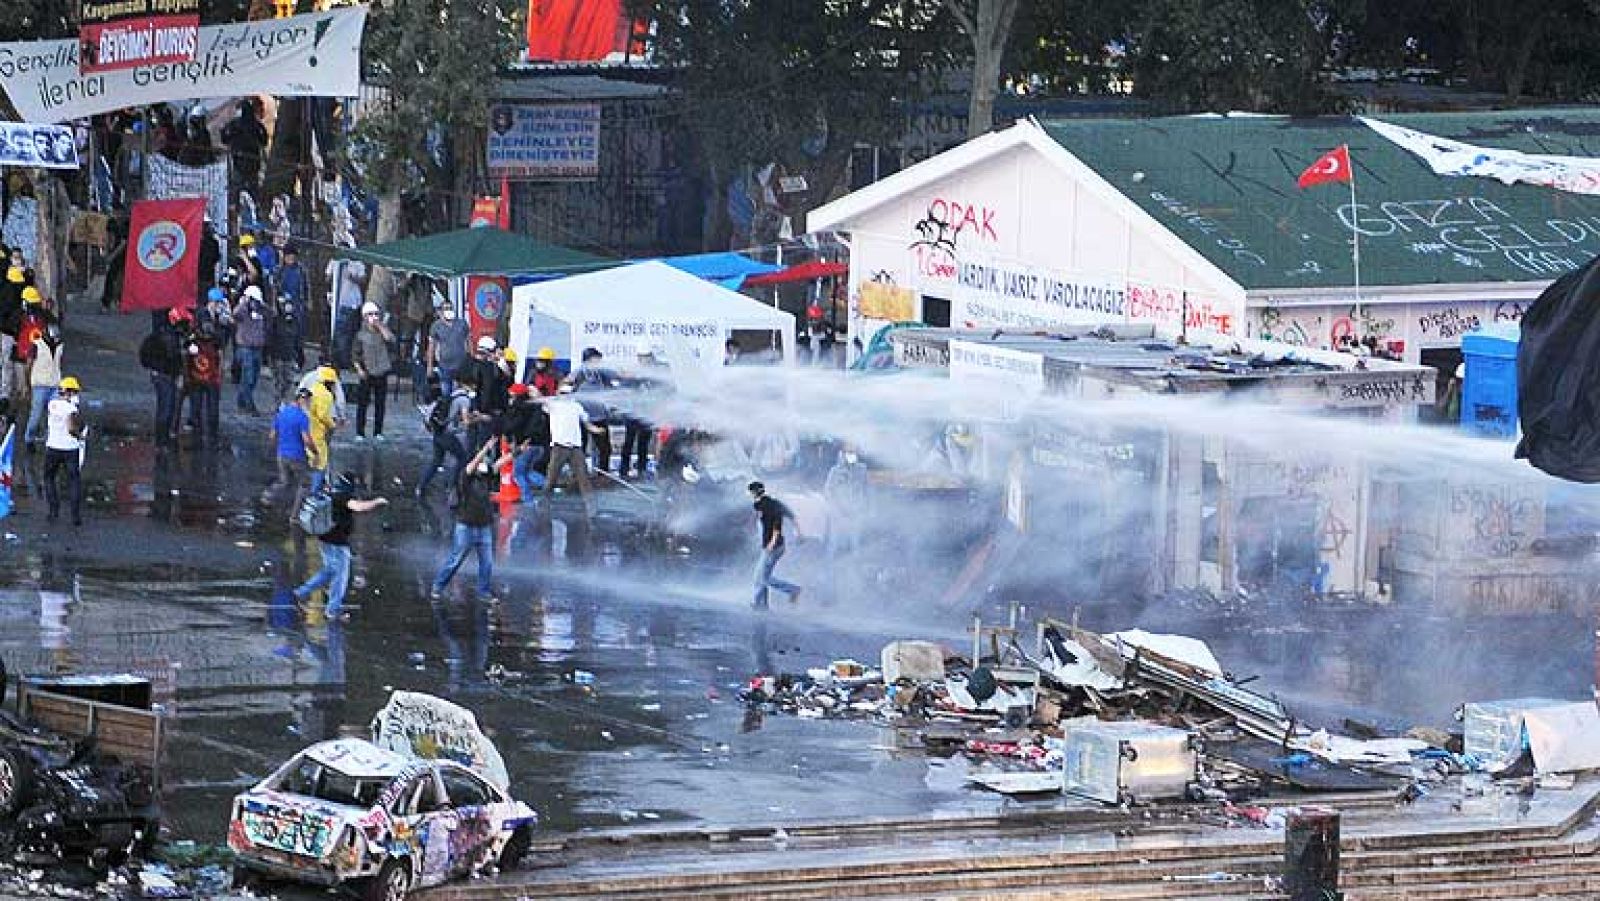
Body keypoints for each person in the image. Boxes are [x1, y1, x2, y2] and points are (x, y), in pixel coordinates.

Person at [293, 472, 387, 621]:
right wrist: (377, 501)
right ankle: (332, 610)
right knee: (340, 578)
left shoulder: (332, 493)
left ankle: (301, 592)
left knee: (330, 570)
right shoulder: (344, 497)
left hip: (325, 539)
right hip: (338, 544)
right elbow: (359, 507)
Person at [429, 438, 510, 599]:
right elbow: (472, 465)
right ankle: (438, 586)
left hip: (483, 526)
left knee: (486, 563)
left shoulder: (485, 476)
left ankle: (483, 592)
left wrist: (517, 452)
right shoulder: (465, 479)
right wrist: (485, 449)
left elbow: (499, 464)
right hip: (466, 525)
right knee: (456, 559)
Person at [542, 384, 603, 511]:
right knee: (551, 478)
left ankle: (591, 507)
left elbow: (587, 424)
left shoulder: (576, 406)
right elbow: (541, 401)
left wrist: (596, 430)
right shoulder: (553, 405)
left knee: (583, 478)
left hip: (575, 448)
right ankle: (545, 503)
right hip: (559, 447)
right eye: (563, 393)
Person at [266, 387, 316, 525]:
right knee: (305, 483)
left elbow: (272, 436)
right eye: (308, 401)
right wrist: (315, 451)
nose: (309, 404)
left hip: (282, 455)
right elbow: (306, 439)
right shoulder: (302, 417)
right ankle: (295, 515)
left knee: (285, 482)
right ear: (302, 400)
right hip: (297, 456)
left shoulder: (282, 414)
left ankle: (269, 494)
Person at [748, 481, 801, 609]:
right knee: (763, 576)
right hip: (775, 546)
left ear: (754, 493)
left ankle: (792, 590)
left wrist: (772, 542)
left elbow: (777, 525)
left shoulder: (765, 505)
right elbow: (792, 516)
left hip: (773, 546)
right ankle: (763, 605)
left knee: (760, 577)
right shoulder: (773, 503)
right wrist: (799, 532)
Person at [42, 376, 86, 527]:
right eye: (74, 392)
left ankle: (53, 510)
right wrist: (81, 436)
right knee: (74, 481)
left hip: (53, 447)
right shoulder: (71, 408)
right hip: (70, 448)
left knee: (49, 477)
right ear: (69, 392)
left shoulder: (52, 404)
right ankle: (75, 516)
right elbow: (72, 427)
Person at [139, 310, 186, 446]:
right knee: (166, 407)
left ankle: (162, 438)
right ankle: (162, 439)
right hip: (164, 375)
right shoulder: (166, 338)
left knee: (166, 406)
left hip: (163, 374)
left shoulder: (159, 336)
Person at [417, 382, 472, 499]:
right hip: (447, 435)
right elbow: (466, 421)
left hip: (437, 434)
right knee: (462, 457)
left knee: (436, 461)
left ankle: (421, 486)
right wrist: (480, 418)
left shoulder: (451, 396)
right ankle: (452, 486)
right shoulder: (464, 400)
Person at [352, 302, 394, 441]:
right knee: (363, 404)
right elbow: (355, 354)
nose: (374, 317)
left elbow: (390, 339)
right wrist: (359, 369)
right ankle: (360, 432)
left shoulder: (382, 331)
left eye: (376, 314)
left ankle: (378, 431)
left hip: (381, 371)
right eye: (370, 314)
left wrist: (380, 326)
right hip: (367, 371)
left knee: (380, 404)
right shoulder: (360, 335)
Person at [501, 383, 548, 496]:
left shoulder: (518, 407)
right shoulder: (536, 406)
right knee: (528, 472)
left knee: (518, 475)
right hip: (538, 444)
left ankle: (528, 501)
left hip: (524, 444)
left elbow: (513, 425)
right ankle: (549, 485)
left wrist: (506, 432)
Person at [23, 321, 62, 450]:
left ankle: (50, 440)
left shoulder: (60, 346)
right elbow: (28, 365)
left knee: (53, 415)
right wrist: (28, 383)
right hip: (39, 384)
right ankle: (29, 439)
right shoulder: (36, 345)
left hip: (55, 384)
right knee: (36, 414)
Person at [232, 284, 269, 415]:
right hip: (245, 347)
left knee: (253, 378)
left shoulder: (261, 311)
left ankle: (241, 401)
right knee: (247, 376)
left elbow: (270, 315)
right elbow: (235, 315)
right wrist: (243, 303)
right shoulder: (243, 311)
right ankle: (249, 405)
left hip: (258, 347)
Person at [267, 289, 305, 404]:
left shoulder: (295, 321)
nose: (287, 307)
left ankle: (283, 399)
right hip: (277, 355)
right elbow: (270, 337)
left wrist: (300, 355)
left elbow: (298, 339)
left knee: (289, 381)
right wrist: (269, 355)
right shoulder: (275, 320)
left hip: (290, 355)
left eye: (289, 304)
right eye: (285, 304)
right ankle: (278, 404)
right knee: (278, 381)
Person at [426, 302, 469, 398]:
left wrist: (471, 360)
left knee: (460, 393)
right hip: (444, 365)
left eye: (450, 308)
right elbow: (431, 347)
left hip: (461, 365)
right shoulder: (436, 326)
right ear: (440, 312)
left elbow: (468, 342)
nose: (448, 310)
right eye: (445, 308)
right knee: (446, 393)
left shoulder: (462, 324)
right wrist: (430, 366)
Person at [307, 366, 338, 493]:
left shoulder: (313, 389)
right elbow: (323, 415)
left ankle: (307, 490)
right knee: (321, 463)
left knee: (310, 462)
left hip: (307, 430)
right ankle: (314, 492)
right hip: (318, 433)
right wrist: (332, 425)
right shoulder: (326, 395)